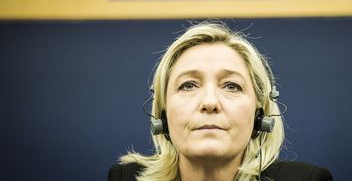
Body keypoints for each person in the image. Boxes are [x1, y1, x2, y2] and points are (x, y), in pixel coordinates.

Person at [108, 22, 332, 181]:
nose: (210, 102)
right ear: (162, 113)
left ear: (260, 113)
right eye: (188, 85)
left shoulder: (308, 179)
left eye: (231, 86)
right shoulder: (125, 178)